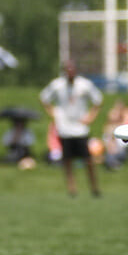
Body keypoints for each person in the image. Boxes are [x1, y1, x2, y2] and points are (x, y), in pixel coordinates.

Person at [40, 60, 103, 197]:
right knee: (67, 160)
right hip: (64, 127)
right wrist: (53, 113)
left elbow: (98, 100)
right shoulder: (57, 85)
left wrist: (91, 117)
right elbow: (44, 98)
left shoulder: (84, 85)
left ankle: (94, 187)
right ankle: (72, 188)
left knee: (88, 159)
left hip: (80, 128)